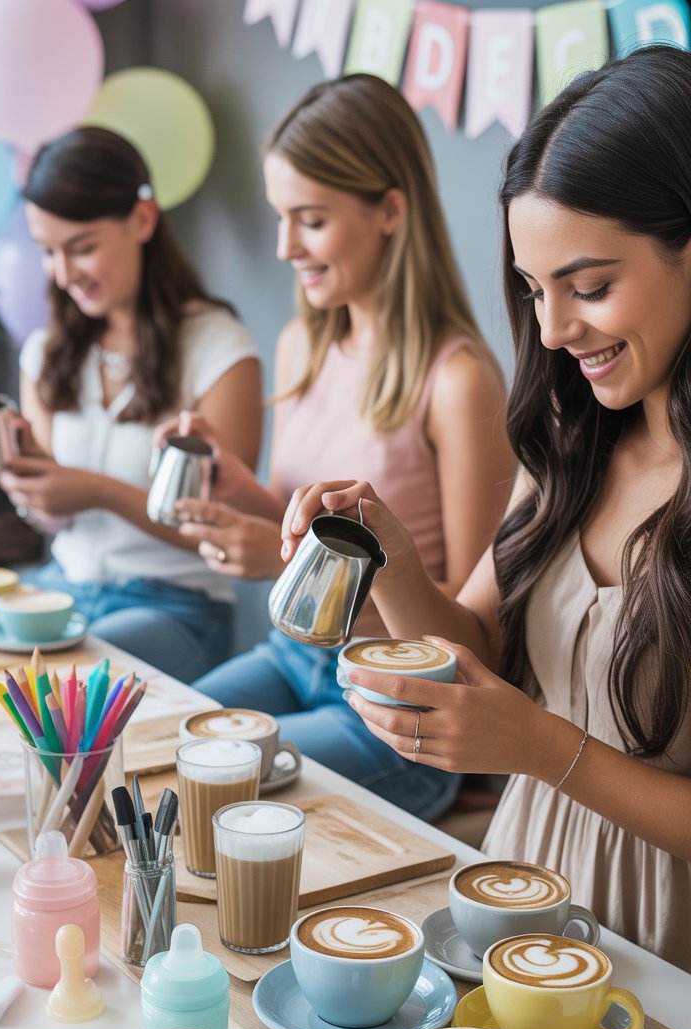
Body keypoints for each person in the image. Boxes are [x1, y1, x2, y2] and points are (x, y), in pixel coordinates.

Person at [282, 45, 691, 970]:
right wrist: (388, 556)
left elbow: (531, 734)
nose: (551, 331)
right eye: (535, 290)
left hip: (665, 951)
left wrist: (542, 745)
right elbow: (474, 647)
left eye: (589, 287)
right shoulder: (574, 434)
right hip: (519, 910)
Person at [170, 74, 514, 819]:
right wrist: (235, 488)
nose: (284, 245)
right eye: (280, 217)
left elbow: (473, 637)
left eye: (310, 219)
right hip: (290, 658)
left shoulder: (457, 382)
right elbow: (306, 523)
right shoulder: (303, 345)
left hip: (391, 707)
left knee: (214, 780)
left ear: (390, 211)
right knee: (158, 737)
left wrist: (284, 563)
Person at [0, 126, 263, 679]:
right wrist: (19, 465)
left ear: (142, 221)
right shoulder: (47, 352)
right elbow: (50, 521)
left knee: (56, 679)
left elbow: (227, 533)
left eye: (83, 247)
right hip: (65, 587)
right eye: (47, 251)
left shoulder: (218, 348)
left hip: (175, 607)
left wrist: (98, 490)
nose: (64, 274)